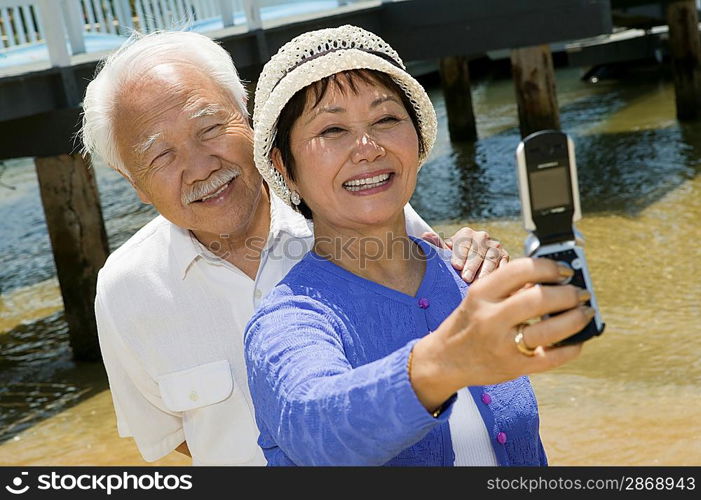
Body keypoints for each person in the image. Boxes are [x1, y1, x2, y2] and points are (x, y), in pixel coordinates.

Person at [80, 30, 509, 466]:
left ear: (247, 118)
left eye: (210, 129)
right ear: (135, 183)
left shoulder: (352, 205)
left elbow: (434, 286)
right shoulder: (126, 289)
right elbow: (171, 436)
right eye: (161, 156)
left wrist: (473, 255)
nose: (200, 166)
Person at [244, 25, 592, 466]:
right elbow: (318, 429)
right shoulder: (288, 319)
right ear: (284, 167)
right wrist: (448, 362)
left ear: (419, 137)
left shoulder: (471, 275)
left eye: (386, 119)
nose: (367, 148)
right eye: (332, 129)